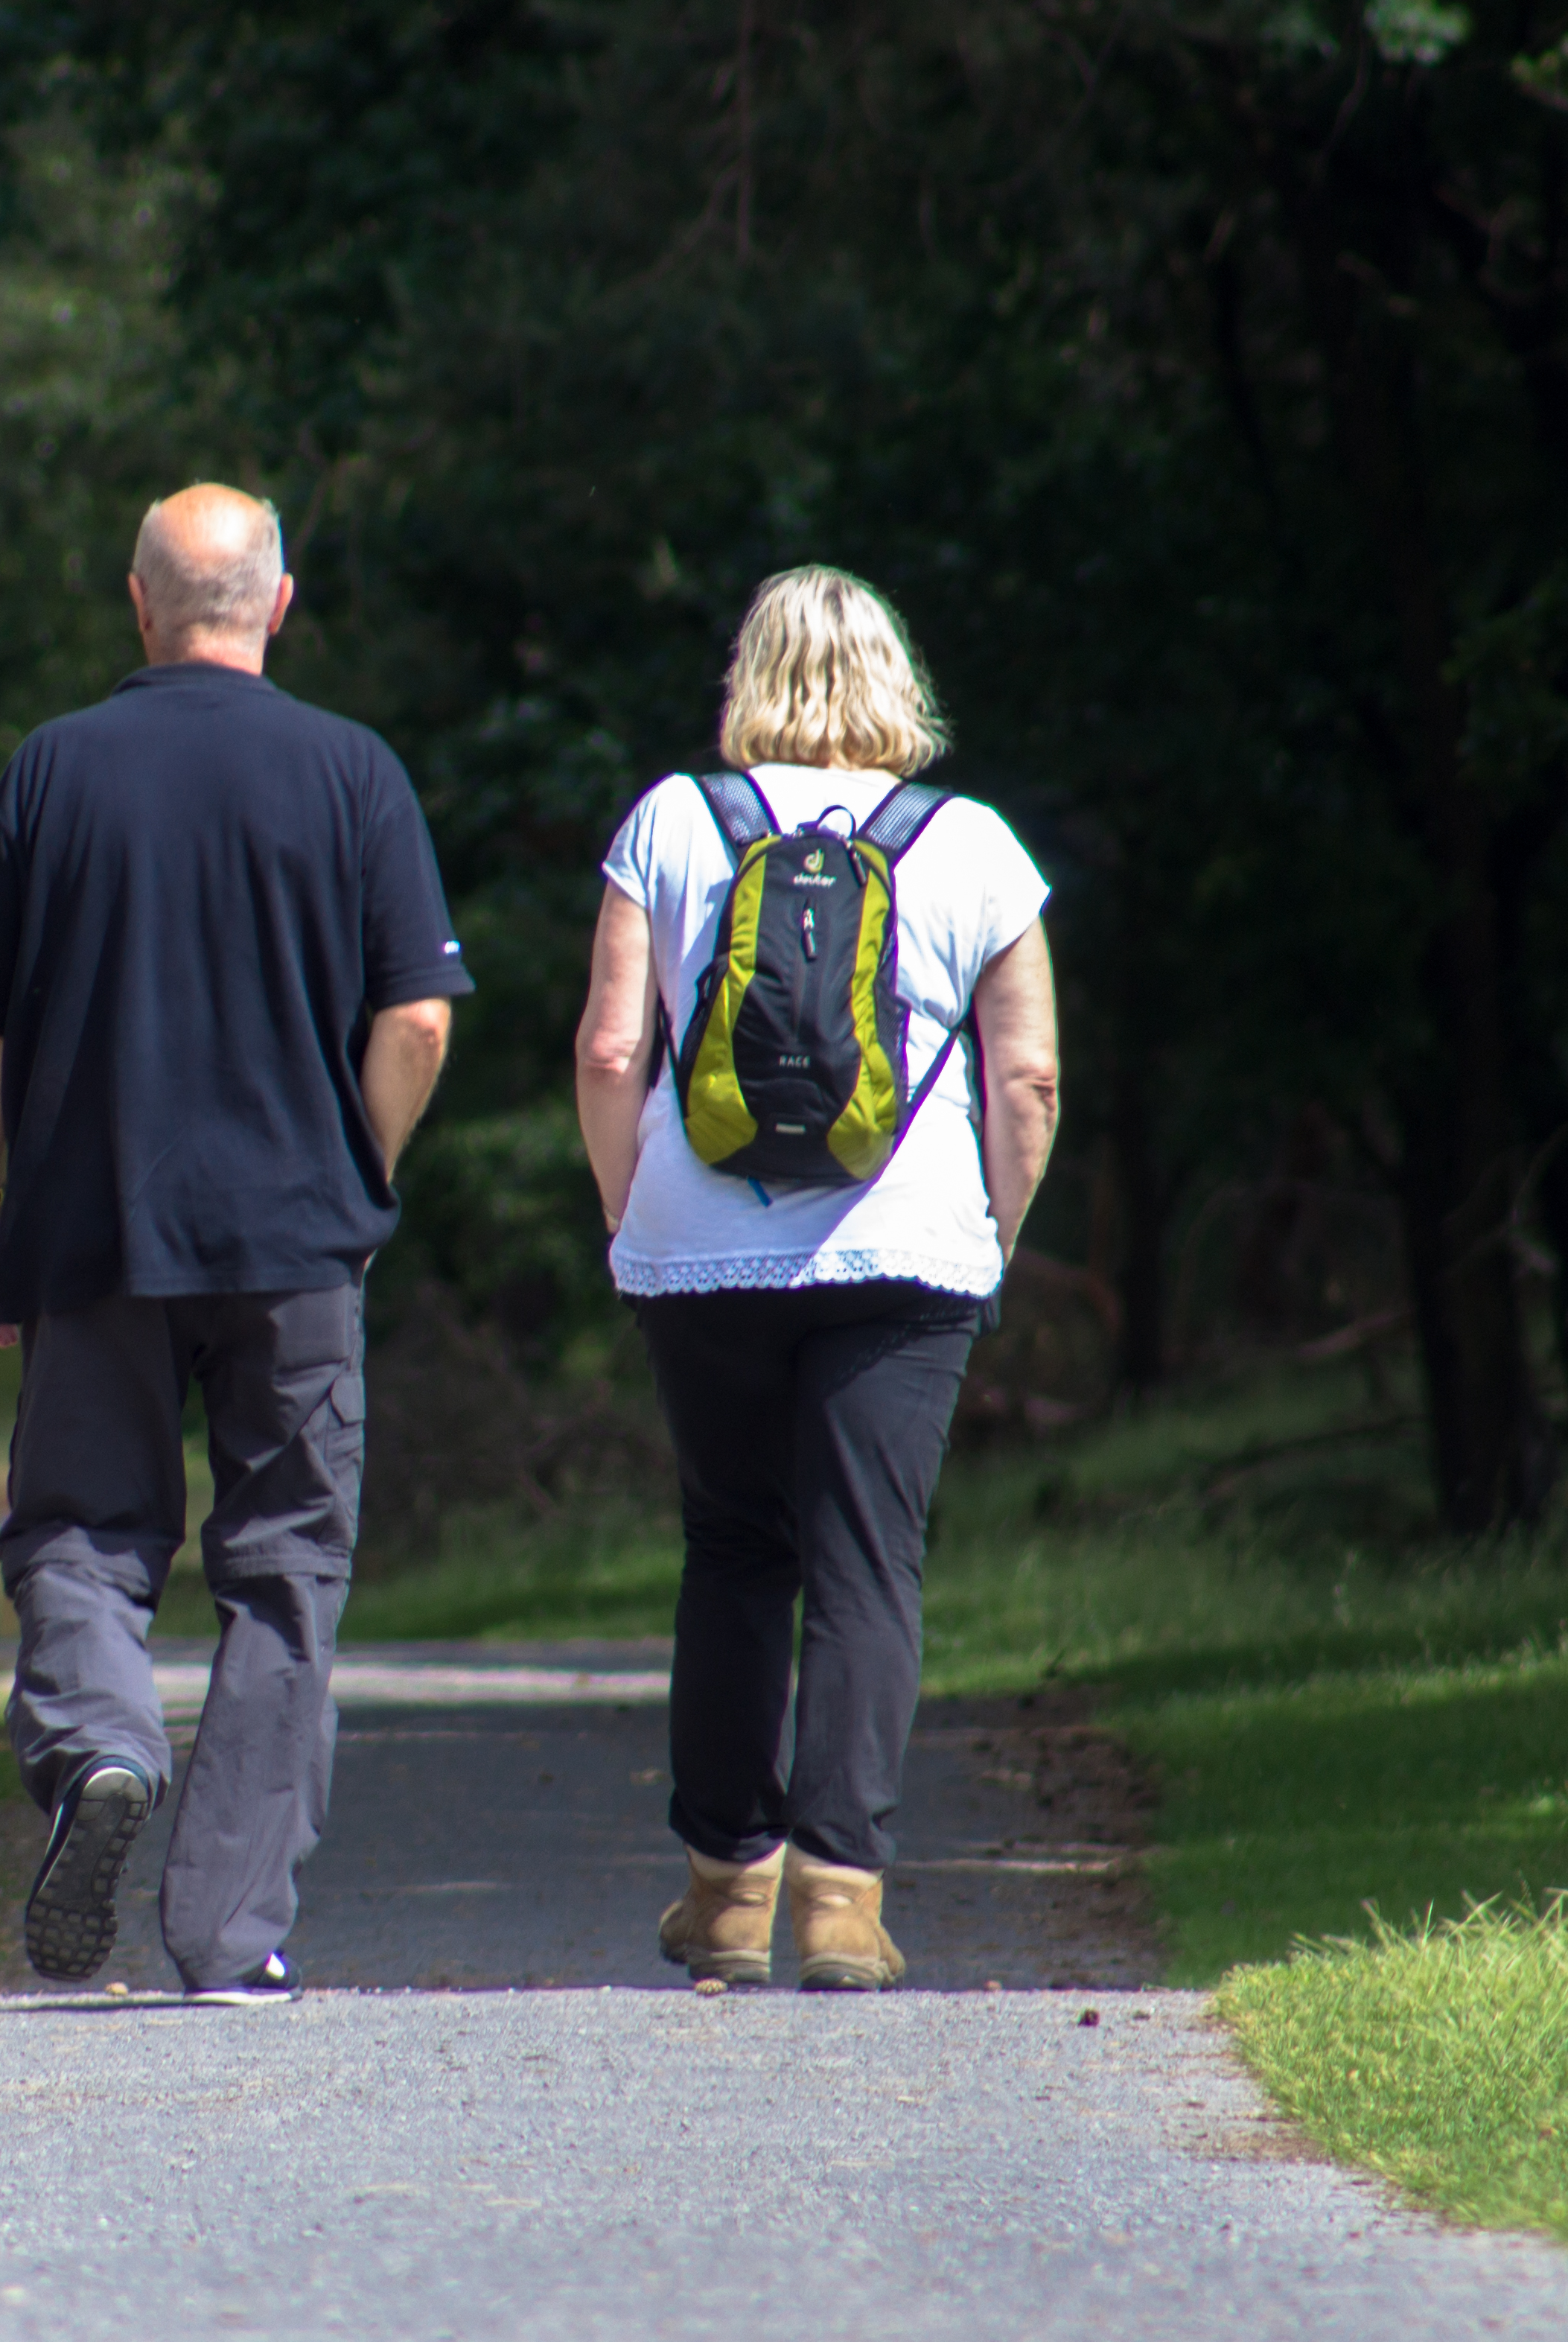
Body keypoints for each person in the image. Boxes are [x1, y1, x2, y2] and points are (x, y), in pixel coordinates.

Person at [0, 483, 468, 2002]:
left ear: (137, 601)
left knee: (80, 1528)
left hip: (92, 1222)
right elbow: (415, 1016)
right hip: (296, 1239)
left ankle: (100, 1741)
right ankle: (227, 1935)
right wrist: (356, 1169)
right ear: (276, 605)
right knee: (284, 1567)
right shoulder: (352, 771)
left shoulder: (53, 772)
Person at [572, 564, 1061, 1990]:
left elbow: (613, 1050)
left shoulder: (673, 820)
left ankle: (724, 1887)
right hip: (905, 1251)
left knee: (732, 1547)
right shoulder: (970, 842)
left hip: (698, 1245)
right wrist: (992, 1234)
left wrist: (627, 1211)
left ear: (749, 678)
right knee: (867, 1561)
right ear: (897, 682)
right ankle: (841, 1899)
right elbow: (1022, 1075)